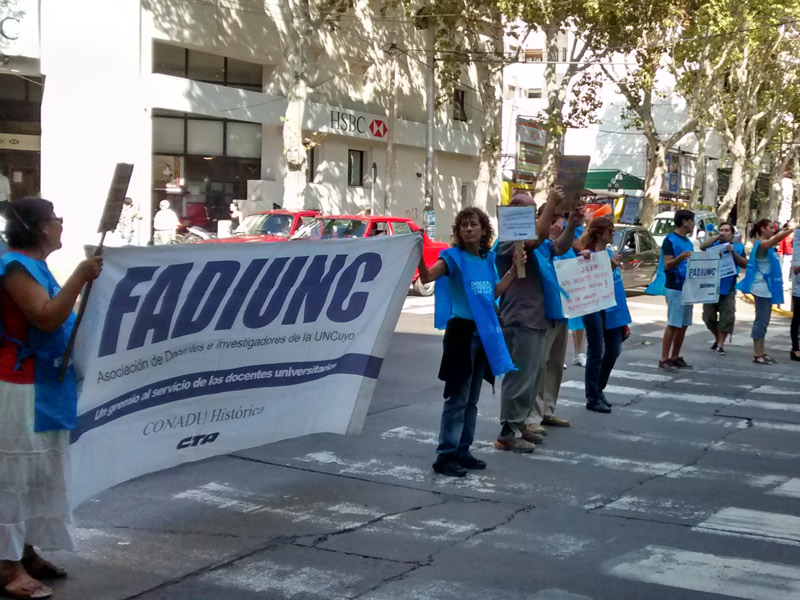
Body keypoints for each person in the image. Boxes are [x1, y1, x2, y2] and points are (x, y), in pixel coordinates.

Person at [0, 198, 103, 600]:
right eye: (56, 218)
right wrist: (79, 276)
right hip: (20, 386)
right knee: (13, 478)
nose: (61, 224)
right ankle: (6, 567)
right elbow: (44, 317)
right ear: (42, 228)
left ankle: (23, 553)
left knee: (39, 477)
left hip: (46, 384)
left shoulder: (34, 266)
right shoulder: (14, 266)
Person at [417, 207, 524, 477]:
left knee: (472, 399)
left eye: (473, 224)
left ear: (483, 230)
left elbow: (494, 292)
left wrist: (514, 269)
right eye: (463, 225)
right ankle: (445, 455)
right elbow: (428, 276)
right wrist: (417, 253)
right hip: (461, 334)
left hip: (484, 333)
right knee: (457, 398)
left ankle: (463, 450)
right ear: (458, 231)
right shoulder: (452, 258)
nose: (468, 229)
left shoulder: (487, 261)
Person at [494, 187, 573, 453]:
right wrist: (551, 202)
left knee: (533, 376)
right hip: (520, 317)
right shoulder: (509, 241)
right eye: (523, 210)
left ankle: (522, 423)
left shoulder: (537, 244)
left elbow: (559, 246)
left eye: (532, 210)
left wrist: (573, 220)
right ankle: (508, 431)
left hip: (538, 316)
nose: (528, 215)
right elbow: (537, 237)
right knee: (519, 377)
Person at [533, 206, 585, 428]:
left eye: (561, 219)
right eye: (555, 219)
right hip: (542, 312)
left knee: (554, 363)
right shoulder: (537, 245)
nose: (559, 224)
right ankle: (533, 414)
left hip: (563, 311)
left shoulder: (563, 244)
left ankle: (547, 409)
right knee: (539, 365)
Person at [577, 217, 631, 413]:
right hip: (593, 305)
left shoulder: (606, 253)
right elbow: (585, 277)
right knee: (596, 349)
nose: (612, 234)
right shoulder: (588, 253)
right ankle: (592, 396)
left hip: (612, 307)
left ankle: (598, 388)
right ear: (599, 233)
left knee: (614, 349)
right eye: (610, 231)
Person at [736, 219, 793, 365]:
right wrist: (791, 229)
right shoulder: (761, 244)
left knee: (764, 320)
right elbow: (775, 239)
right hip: (760, 287)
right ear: (762, 229)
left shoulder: (767, 246)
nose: (773, 230)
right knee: (761, 320)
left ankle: (762, 351)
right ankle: (757, 353)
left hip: (766, 288)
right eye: (770, 228)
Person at [650, 209, 695, 372]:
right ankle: (664, 358)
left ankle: (675, 356)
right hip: (675, 286)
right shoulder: (670, 240)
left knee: (683, 325)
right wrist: (680, 258)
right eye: (692, 221)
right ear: (684, 222)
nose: (693, 225)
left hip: (687, 286)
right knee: (673, 323)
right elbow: (668, 264)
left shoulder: (688, 242)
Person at [699, 222, 747, 355]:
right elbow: (702, 247)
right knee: (708, 317)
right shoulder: (714, 244)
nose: (724, 232)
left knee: (727, 318)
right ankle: (717, 337)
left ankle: (720, 345)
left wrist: (733, 253)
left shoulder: (738, 247)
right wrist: (716, 238)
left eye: (727, 230)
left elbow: (744, 264)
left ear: (732, 234)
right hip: (711, 287)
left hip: (728, 287)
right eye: (721, 230)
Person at [791, 242, 800, 362]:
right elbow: (795, 270)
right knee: (797, 318)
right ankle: (795, 348)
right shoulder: (798, 248)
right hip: (799, 290)